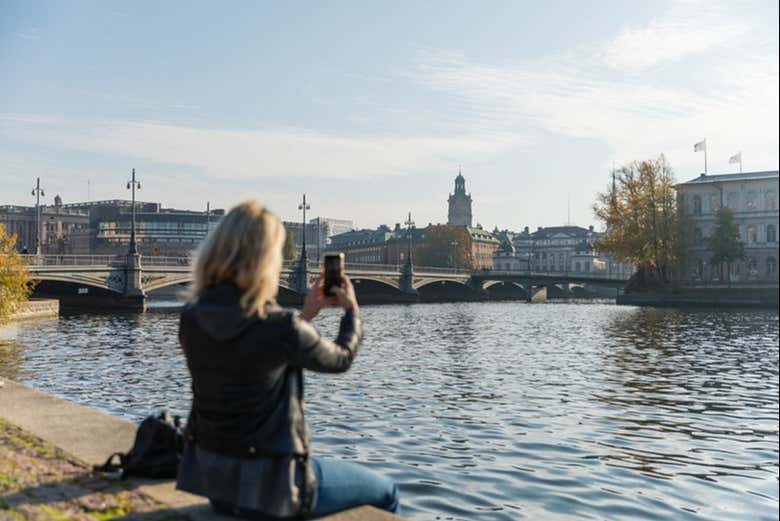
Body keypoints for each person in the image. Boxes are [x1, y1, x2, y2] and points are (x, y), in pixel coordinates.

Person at [176, 201, 399, 519]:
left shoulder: (192, 317)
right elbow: (340, 359)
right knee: (388, 491)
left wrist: (307, 314)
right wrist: (351, 312)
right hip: (275, 487)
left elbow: (254, 356)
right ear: (266, 259)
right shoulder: (281, 327)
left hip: (216, 484)